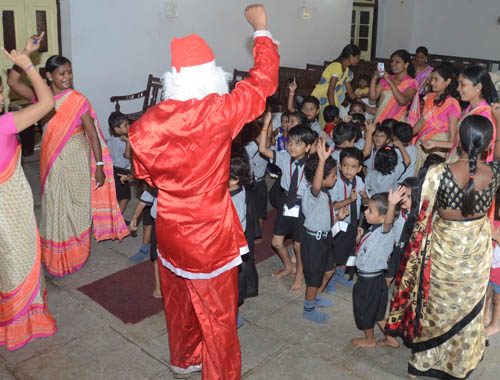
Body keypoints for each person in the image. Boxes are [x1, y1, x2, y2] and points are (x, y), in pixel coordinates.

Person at [128, 5, 279, 379]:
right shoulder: (220, 112)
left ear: (174, 78)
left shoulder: (145, 125)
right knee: (219, 316)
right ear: (212, 76)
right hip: (208, 233)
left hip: (169, 228)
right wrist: (261, 30)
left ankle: (183, 359)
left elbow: (143, 174)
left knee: (178, 303)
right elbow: (262, 83)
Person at [385, 115, 500, 379]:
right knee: (468, 310)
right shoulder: (494, 172)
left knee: (435, 307)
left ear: (459, 139)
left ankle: (422, 364)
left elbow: (421, 216)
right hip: (476, 252)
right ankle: (458, 365)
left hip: (442, 250)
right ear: (487, 144)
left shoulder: (439, 173)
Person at [7, 35, 129, 278]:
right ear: (49, 76)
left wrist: (99, 166)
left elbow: (92, 134)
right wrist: (24, 55)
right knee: (54, 203)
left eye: (69, 73)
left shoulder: (77, 100)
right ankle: (55, 255)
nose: (67, 78)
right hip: (52, 160)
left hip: (76, 156)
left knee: (79, 204)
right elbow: (12, 83)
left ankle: (76, 253)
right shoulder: (41, 99)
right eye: (61, 74)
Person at [0, 41, 57, 350]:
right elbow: (47, 102)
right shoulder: (6, 124)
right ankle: (23, 325)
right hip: (11, 210)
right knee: (19, 260)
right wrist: (29, 65)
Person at [259, 120, 315, 292]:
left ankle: (299, 274)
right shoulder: (284, 157)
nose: (292, 147)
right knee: (276, 242)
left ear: (307, 147)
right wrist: (266, 125)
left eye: (298, 144)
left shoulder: (312, 165)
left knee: (298, 246)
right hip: (286, 202)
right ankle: (288, 266)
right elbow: (263, 149)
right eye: (290, 142)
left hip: (303, 204)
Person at [301, 140, 348, 324]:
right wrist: (321, 161)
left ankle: (316, 297)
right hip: (313, 242)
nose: (335, 178)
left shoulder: (325, 195)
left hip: (325, 239)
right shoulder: (312, 194)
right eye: (333, 175)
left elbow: (323, 218)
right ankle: (308, 309)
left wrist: (337, 216)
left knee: (328, 271)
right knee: (313, 278)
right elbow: (316, 185)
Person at [351, 190, 402, 348]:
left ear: (382, 217)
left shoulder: (383, 231)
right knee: (378, 312)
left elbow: (387, 223)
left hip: (369, 282)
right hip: (378, 279)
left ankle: (369, 339)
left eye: (370, 210)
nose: (366, 211)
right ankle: (390, 339)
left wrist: (392, 204)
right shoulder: (374, 229)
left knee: (364, 310)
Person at [413, 63, 461, 171]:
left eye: (436, 79)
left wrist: (448, 156)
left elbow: (452, 134)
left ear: (447, 82)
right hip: (423, 141)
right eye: (431, 79)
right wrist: (407, 135)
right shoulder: (429, 97)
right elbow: (422, 120)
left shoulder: (452, 103)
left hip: (438, 145)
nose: (431, 82)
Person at [311, 44, 361, 126]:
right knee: (326, 127)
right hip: (326, 101)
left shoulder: (347, 72)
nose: (358, 60)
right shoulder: (336, 67)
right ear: (351, 56)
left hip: (334, 100)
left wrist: (366, 106)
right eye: (357, 57)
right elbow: (329, 92)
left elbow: (351, 94)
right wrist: (334, 114)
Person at [370, 49, 420, 125]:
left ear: (406, 65)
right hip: (380, 118)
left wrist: (390, 81)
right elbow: (373, 97)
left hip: (397, 122)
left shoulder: (411, 82)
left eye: (397, 62)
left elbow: (402, 101)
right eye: (392, 61)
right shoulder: (386, 78)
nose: (393, 64)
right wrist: (374, 79)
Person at [107, 111, 133, 214]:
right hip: (122, 171)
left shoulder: (110, 140)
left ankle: (115, 216)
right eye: (125, 125)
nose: (129, 126)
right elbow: (127, 155)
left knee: (117, 196)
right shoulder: (124, 141)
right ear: (117, 129)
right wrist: (128, 142)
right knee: (125, 197)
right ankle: (118, 218)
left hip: (112, 169)